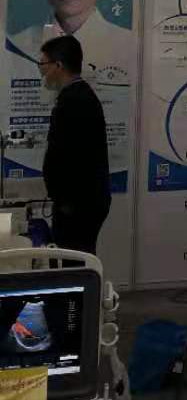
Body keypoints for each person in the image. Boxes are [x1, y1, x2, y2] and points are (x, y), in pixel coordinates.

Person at [39, 35, 111, 255]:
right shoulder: (77, 95)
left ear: (58, 66)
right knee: (76, 260)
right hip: (80, 201)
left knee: (75, 263)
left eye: (43, 64)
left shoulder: (75, 101)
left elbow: (68, 157)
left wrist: (64, 202)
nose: (41, 71)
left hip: (78, 205)